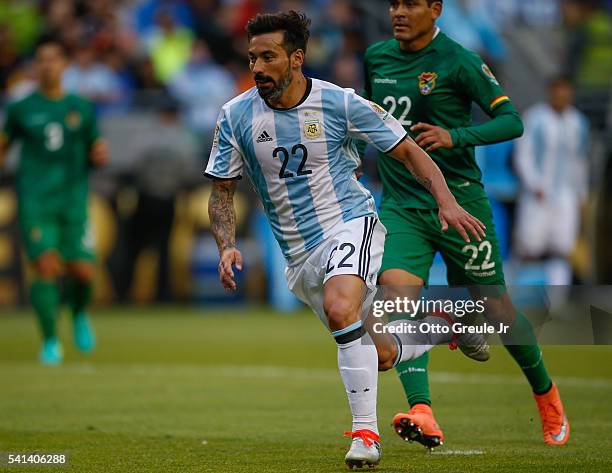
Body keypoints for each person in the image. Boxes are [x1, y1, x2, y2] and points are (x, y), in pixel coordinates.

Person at [205, 11, 487, 469]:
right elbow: (222, 193)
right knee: (379, 352)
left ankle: (365, 436)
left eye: (268, 56)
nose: (257, 66)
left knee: (342, 308)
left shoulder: (340, 103)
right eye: (252, 56)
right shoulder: (235, 116)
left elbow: (408, 150)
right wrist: (226, 244)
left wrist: (447, 201)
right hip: (298, 257)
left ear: (296, 59)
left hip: (350, 223)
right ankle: (447, 326)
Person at [361, 0, 569, 448]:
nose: (398, 11)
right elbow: (374, 122)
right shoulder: (376, 57)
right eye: (393, 3)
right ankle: (422, 410)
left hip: (460, 206)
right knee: (393, 299)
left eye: (410, 3)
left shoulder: (460, 60)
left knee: (498, 311)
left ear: (435, 9)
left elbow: (511, 120)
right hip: (402, 206)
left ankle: (546, 394)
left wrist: (456, 136)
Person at [0, 40, 108, 365]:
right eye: (41, 60)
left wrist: (100, 154)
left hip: (73, 200)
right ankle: (50, 342)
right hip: (36, 201)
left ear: (64, 66)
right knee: (45, 266)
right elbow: (5, 144)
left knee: (82, 271)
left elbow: (96, 146)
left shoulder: (80, 106)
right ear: (35, 67)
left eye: (53, 60)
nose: (47, 66)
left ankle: (77, 314)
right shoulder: (22, 108)